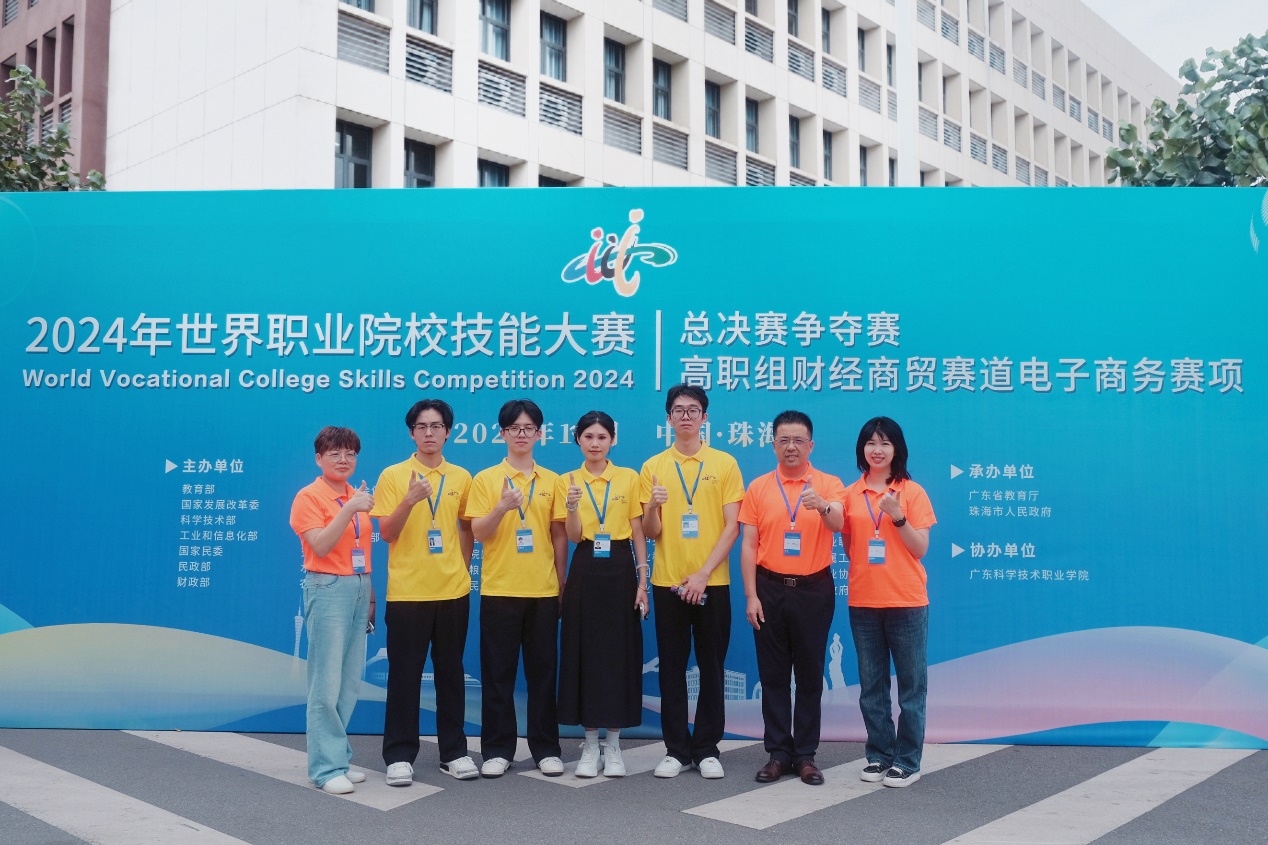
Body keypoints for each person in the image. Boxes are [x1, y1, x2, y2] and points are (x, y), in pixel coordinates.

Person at [371, 399, 478, 785]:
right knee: (404, 675)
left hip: (452, 591)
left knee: (451, 672)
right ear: (412, 433)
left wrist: (460, 567)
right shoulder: (393, 475)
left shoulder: (461, 477)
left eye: (436, 426)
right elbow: (386, 532)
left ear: (448, 432)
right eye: (422, 426)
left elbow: (466, 527)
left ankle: (454, 752)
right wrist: (410, 500)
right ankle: (399, 755)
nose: (429, 432)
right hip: (408, 592)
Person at [640, 384, 743, 779]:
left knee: (712, 668)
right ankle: (676, 750)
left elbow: (732, 527)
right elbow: (650, 532)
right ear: (668, 418)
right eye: (679, 410)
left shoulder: (724, 464)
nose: (686, 416)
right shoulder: (653, 467)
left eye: (693, 409)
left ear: (704, 417)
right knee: (671, 669)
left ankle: (706, 749)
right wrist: (652, 506)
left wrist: (702, 574)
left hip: (711, 583)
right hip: (668, 582)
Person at [738, 410, 846, 786]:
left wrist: (823, 506)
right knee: (773, 675)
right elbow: (748, 545)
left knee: (810, 674)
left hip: (814, 590)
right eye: (784, 440)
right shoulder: (759, 488)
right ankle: (778, 754)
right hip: (769, 588)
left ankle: (805, 756)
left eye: (798, 440)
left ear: (810, 445)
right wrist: (751, 595)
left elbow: (838, 522)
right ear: (773, 445)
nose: (791, 447)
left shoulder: (829, 484)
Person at [465, 399, 567, 778]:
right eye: (514, 428)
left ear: (540, 434)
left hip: (543, 591)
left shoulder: (553, 481)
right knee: (497, 675)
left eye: (528, 428)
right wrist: (502, 507)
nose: (521, 434)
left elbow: (559, 535)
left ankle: (546, 749)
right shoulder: (485, 480)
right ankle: (497, 749)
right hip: (499, 589)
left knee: (543, 675)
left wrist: (561, 582)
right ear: (502, 433)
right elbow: (478, 532)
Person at [842, 416, 937, 788]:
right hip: (864, 601)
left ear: (897, 448)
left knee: (912, 687)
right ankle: (879, 755)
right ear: (862, 449)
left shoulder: (912, 492)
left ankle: (908, 761)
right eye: (870, 443)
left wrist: (898, 519)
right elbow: (850, 546)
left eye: (884, 443)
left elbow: (920, 548)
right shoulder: (851, 494)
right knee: (872, 687)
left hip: (906, 601)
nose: (877, 450)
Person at [554, 410, 648, 778]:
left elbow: (638, 530)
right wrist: (572, 506)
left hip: (621, 567)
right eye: (588, 437)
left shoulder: (629, 478)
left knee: (619, 654)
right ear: (578, 439)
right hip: (585, 565)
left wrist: (643, 582)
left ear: (612, 440)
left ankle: (614, 744)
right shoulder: (567, 481)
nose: (595, 443)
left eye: (602, 437)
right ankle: (591, 744)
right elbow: (573, 535)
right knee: (585, 652)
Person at [289, 426, 375, 795]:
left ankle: (338, 757)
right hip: (327, 587)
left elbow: (362, 548)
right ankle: (325, 768)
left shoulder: (355, 494)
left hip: (359, 586)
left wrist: (371, 596)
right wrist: (351, 509)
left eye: (350, 453)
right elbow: (321, 546)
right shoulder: (308, 497)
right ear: (319, 458)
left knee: (349, 679)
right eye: (334, 453)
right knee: (325, 681)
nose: (343, 460)